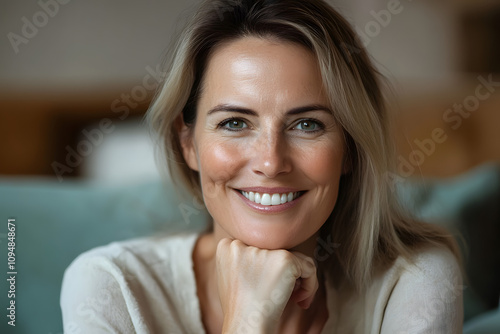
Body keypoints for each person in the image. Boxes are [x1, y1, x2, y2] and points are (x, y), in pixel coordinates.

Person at [60, 0, 464, 333]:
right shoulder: (110, 287)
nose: (271, 162)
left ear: (351, 150)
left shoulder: (411, 280)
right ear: (188, 144)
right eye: (235, 123)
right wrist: (250, 321)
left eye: (307, 124)